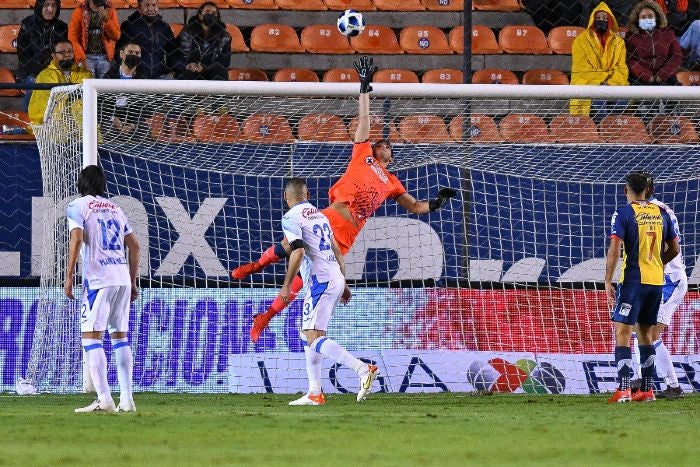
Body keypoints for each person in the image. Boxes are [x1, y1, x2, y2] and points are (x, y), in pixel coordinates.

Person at [231, 56, 456, 342]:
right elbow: (364, 120)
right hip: (331, 218)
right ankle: (255, 267)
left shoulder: (392, 182)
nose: (383, 143)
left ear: (391, 157)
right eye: (381, 141)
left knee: (303, 279)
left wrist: (437, 201)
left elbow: (415, 206)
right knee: (290, 246)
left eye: (388, 145)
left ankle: (265, 317)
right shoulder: (363, 154)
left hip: (348, 235)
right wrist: (364, 86)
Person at [280, 178, 379, 405]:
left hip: (320, 282)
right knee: (309, 334)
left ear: (286, 197)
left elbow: (297, 253)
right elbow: (337, 250)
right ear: (308, 194)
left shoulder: (291, 217)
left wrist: (286, 285)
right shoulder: (320, 215)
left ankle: (363, 369)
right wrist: (343, 282)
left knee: (313, 336)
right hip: (333, 276)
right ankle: (315, 392)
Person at [65, 165, 140, 413]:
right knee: (120, 337)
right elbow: (135, 247)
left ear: (81, 183)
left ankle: (105, 399)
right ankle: (127, 399)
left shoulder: (78, 206)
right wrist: (133, 280)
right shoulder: (116, 208)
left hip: (99, 280)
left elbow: (76, 239)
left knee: (90, 337)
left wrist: (68, 277)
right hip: (121, 279)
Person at [605, 171, 680, 403]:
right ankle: (647, 391)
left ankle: (625, 389)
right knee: (646, 334)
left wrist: (608, 280)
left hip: (633, 282)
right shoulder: (661, 212)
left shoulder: (624, 213)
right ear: (647, 190)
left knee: (623, 332)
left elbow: (615, 249)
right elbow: (675, 249)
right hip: (656, 282)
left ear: (626, 190)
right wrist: (657, 264)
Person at [628, 174, 687, 399]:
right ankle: (670, 386)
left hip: (669, 279)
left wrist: (654, 265)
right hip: (658, 279)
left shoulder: (655, 212)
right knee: (641, 331)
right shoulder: (653, 209)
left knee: (648, 334)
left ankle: (647, 382)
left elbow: (670, 246)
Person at [570, 2, 629, 117]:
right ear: (592, 19)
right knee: (599, 101)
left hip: (612, 84)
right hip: (588, 83)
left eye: (604, 18)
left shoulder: (619, 42)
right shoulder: (580, 40)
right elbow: (582, 68)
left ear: (610, 20)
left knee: (623, 101)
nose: (601, 20)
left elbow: (621, 67)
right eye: (597, 18)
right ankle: (602, 130)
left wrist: (610, 82)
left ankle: (612, 129)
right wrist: (602, 82)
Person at [16, 0, 68, 111]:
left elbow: (64, 55)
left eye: (54, 5)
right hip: (29, 73)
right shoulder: (27, 24)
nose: (50, 9)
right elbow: (23, 56)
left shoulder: (62, 28)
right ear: (39, 6)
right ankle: (29, 118)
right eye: (46, 5)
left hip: (53, 73)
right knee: (35, 83)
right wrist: (40, 74)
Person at [28, 40, 92, 125]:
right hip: (53, 123)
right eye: (62, 52)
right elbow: (43, 102)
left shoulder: (84, 74)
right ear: (53, 56)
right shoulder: (45, 75)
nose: (67, 55)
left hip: (80, 121)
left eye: (70, 51)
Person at [625, 1, 682, 87]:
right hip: (640, 78)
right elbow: (630, 60)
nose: (647, 19)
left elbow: (676, 56)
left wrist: (662, 75)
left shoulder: (668, 33)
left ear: (657, 17)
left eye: (650, 16)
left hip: (666, 76)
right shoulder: (631, 36)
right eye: (643, 17)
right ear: (637, 19)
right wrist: (646, 76)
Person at [117, 0, 179, 79]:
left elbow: (173, 52)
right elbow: (119, 52)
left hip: (160, 77)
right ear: (139, 7)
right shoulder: (129, 26)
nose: (151, 8)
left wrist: (174, 72)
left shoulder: (164, 27)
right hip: (136, 78)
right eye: (147, 5)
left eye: (154, 5)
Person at [177, 2, 231, 81]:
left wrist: (204, 67)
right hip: (192, 69)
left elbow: (225, 62)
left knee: (221, 73)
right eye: (207, 12)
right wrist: (189, 65)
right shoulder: (188, 32)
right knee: (184, 73)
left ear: (218, 17)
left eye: (214, 13)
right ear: (200, 15)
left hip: (212, 70)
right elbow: (180, 54)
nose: (210, 15)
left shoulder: (224, 36)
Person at [101, 42, 146, 137]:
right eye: (130, 52)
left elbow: (144, 105)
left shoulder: (143, 78)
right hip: (113, 116)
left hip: (133, 117)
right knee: (107, 129)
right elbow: (102, 102)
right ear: (121, 54)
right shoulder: (109, 76)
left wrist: (132, 124)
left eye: (137, 53)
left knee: (144, 130)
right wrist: (114, 119)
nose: (133, 55)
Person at [68, 0, 121, 79]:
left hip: (105, 58)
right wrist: (82, 59)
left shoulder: (110, 9)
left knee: (104, 89)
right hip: (86, 57)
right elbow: (72, 38)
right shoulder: (79, 10)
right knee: (87, 88)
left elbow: (116, 36)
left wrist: (106, 20)